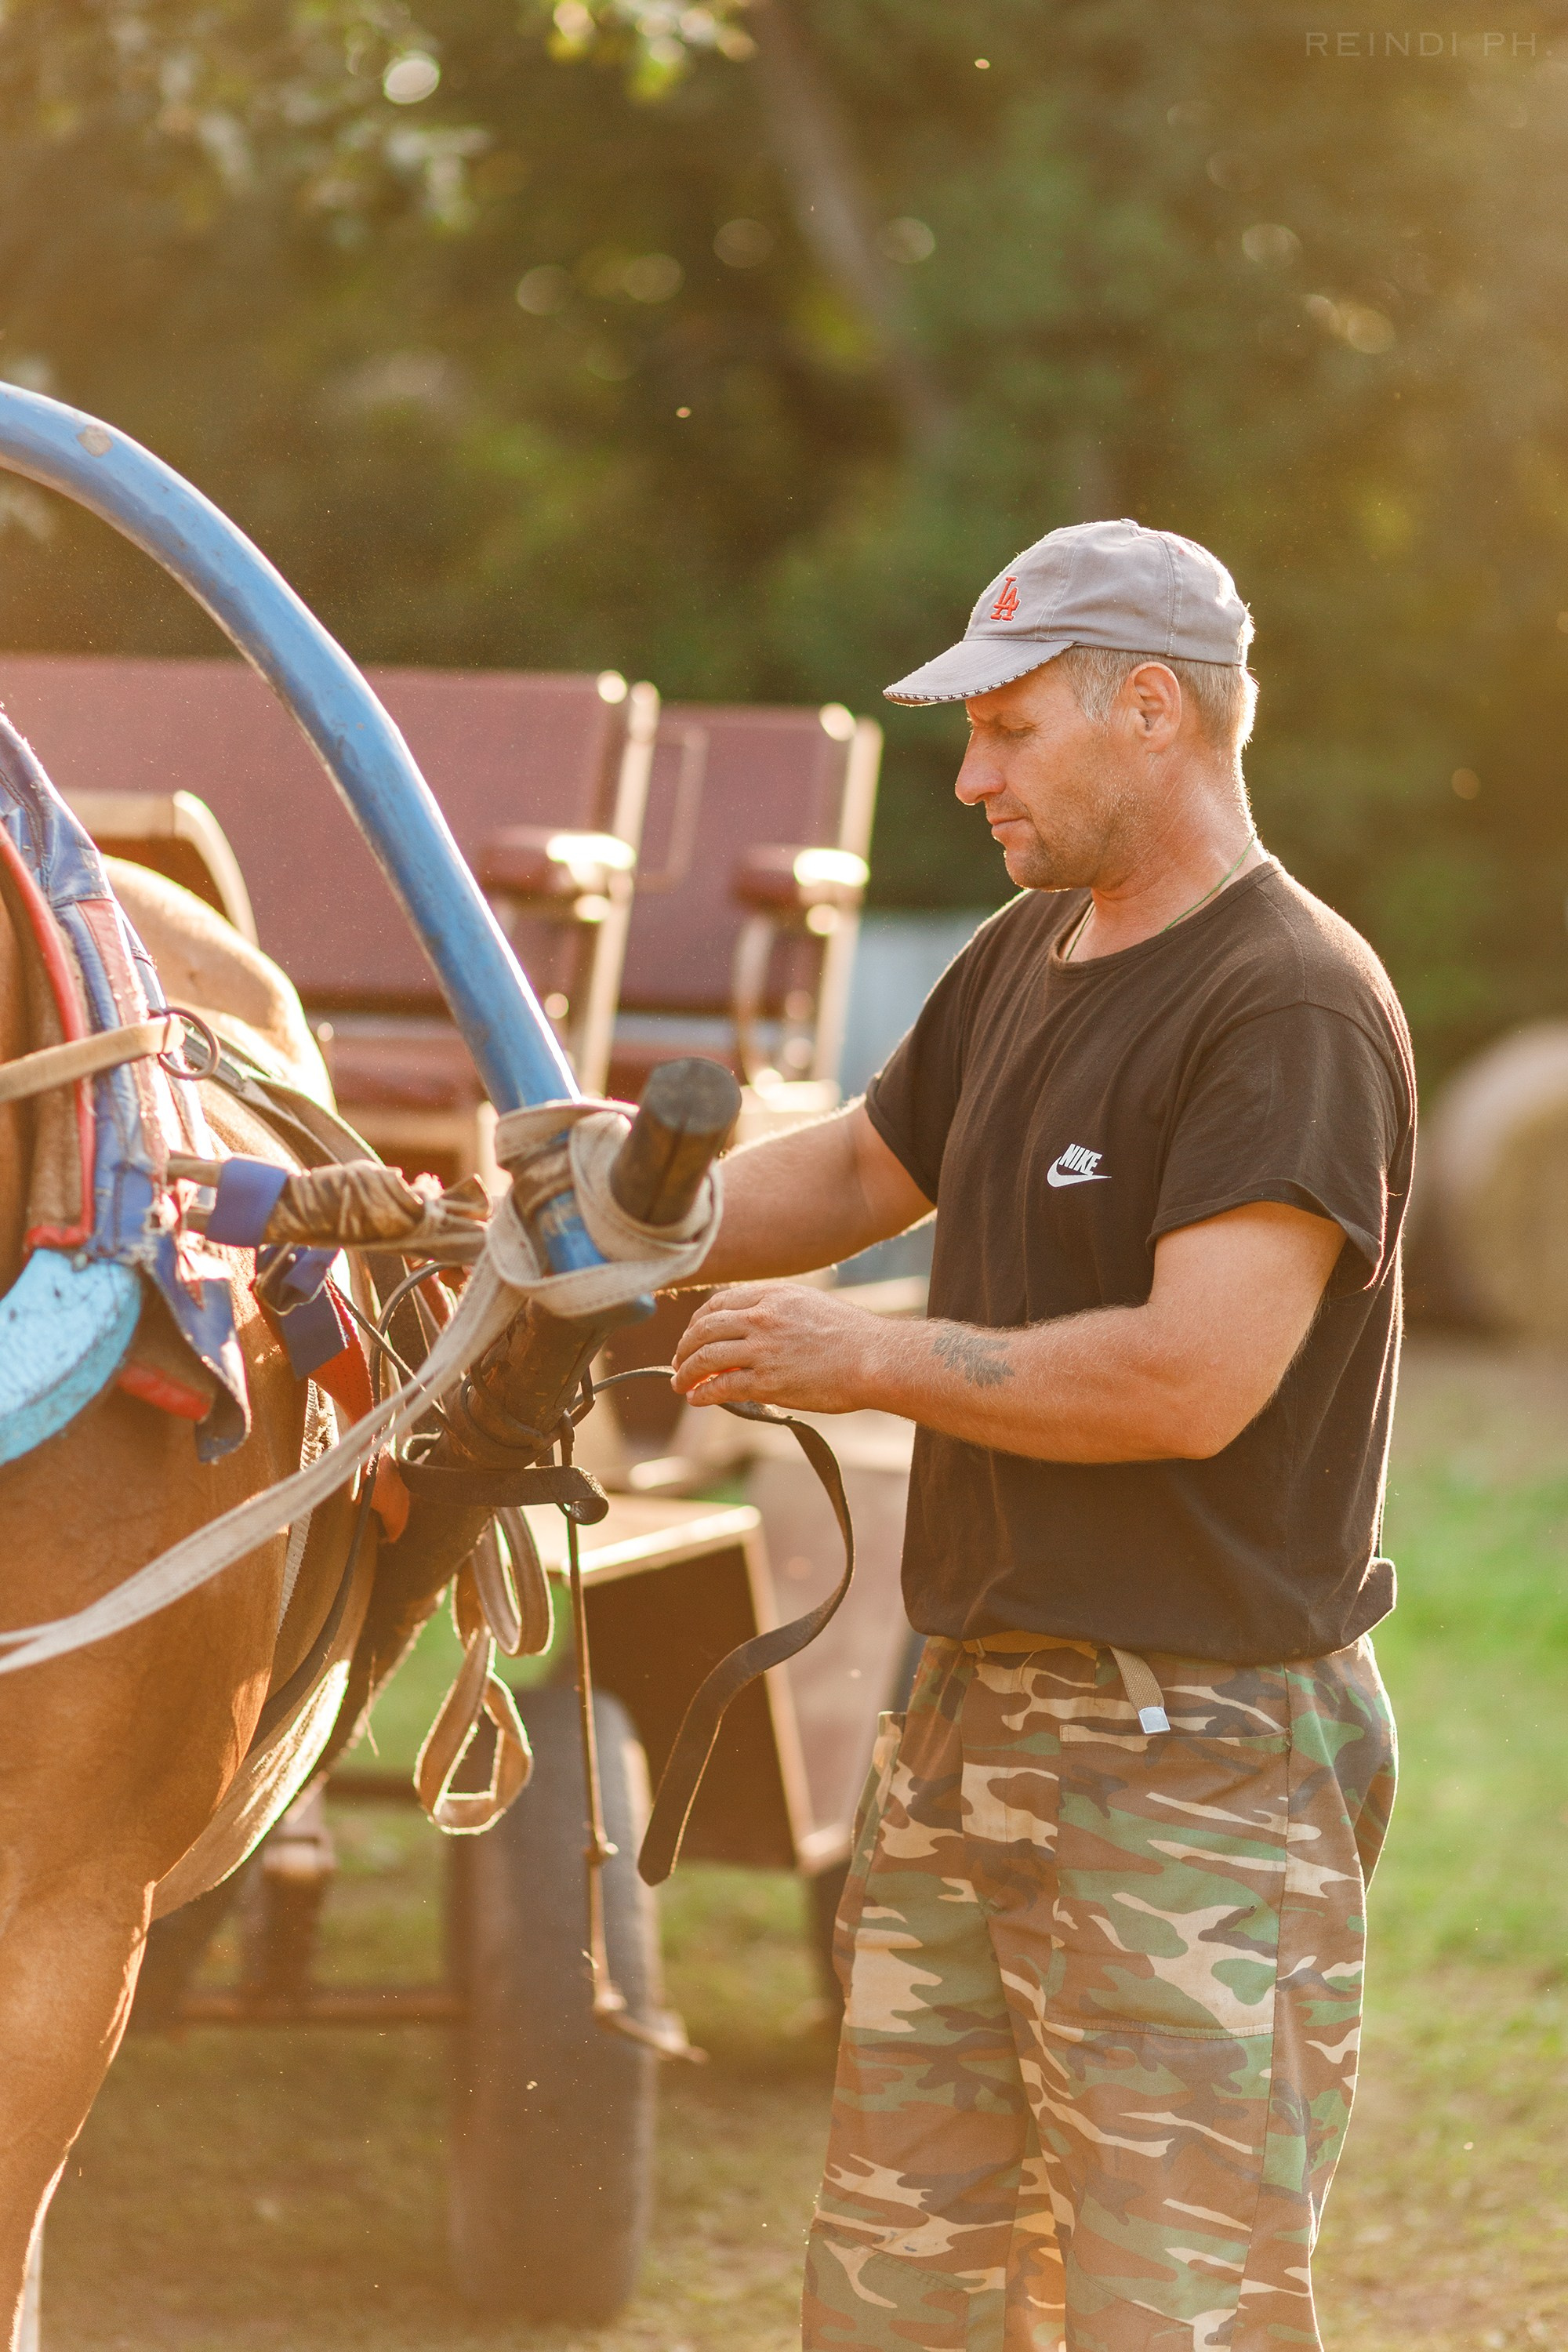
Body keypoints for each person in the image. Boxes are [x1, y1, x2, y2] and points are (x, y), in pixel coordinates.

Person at [671, 518, 1411, 2352]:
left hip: (1193, 1761)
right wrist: (624, 1224)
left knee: (1176, 2312)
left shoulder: (1288, 1001)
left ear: (1149, 710)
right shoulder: (1026, 953)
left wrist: (869, 1358)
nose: (970, 773)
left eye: (1007, 730)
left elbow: (1190, 1376)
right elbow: (860, 1164)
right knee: (902, 2297)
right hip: (971, 1718)